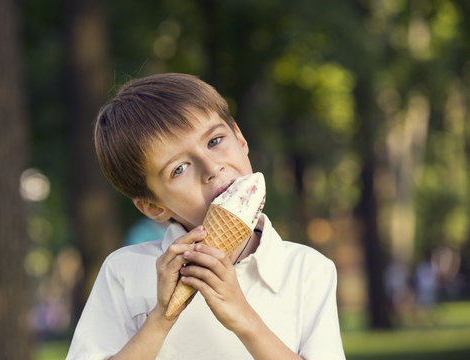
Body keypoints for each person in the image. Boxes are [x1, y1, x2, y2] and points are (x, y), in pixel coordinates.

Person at [66, 73, 345, 359]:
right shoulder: (125, 272)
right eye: (179, 169)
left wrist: (244, 318)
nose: (211, 167)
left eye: (214, 141)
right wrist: (160, 319)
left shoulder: (307, 270)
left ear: (240, 138)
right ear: (153, 207)